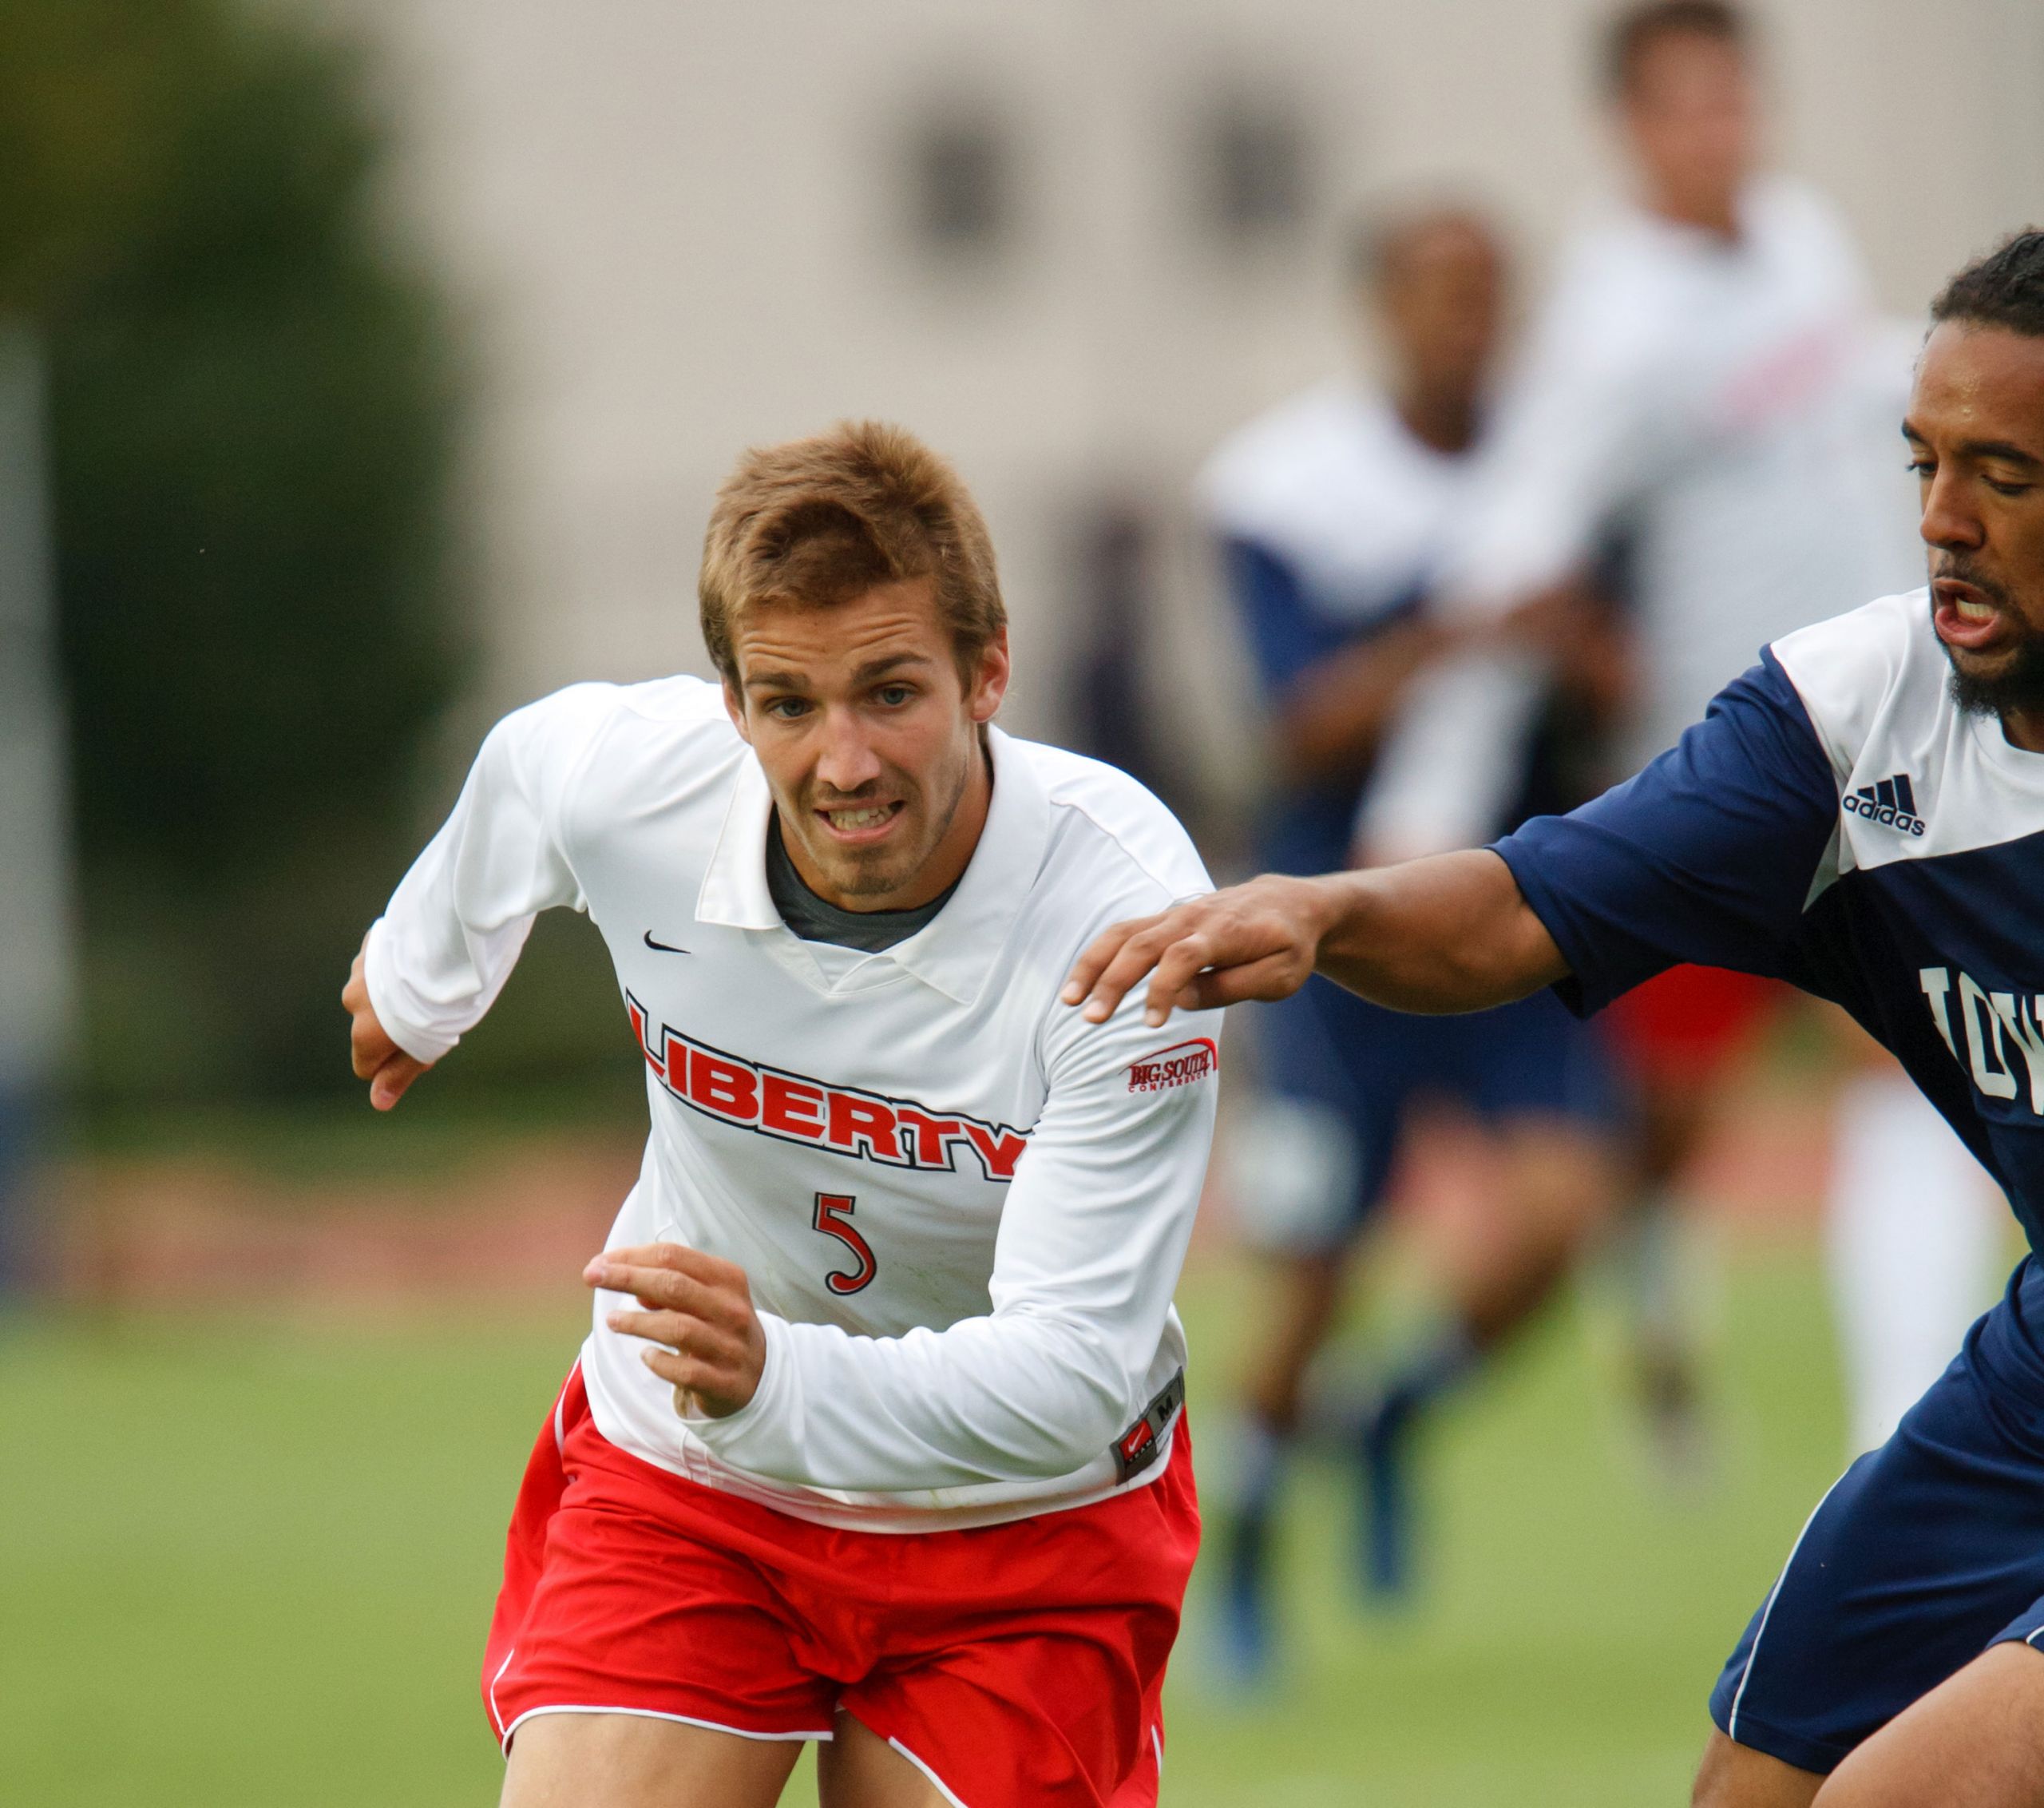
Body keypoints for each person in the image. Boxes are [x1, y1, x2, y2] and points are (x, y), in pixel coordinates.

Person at [1063, 230, 2044, 1806]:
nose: (1936, 522)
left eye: (2000, 474)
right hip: (2029, 1385)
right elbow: (1524, 904)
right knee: (1751, 1787)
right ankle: (1293, 1494)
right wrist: (1322, 910)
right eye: (1920, 461)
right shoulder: (1855, 716)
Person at [341, 422, 1222, 1808]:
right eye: (789, 704)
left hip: (1027, 1529)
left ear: (990, 671)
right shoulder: (637, 782)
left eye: (890, 692)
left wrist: (775, 1381)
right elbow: (522, 773)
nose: (844, 763)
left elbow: (1071, 1374)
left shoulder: (1126, 921)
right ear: (733, 706)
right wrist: (416, 976)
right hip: (694, 1486)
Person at [1357, 0, 1996, 1465]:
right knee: (1650, 1141)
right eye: (1689, 108)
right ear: (1633, 129)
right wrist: (1428, 798)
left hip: (1887, 743)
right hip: (1731, 769)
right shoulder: (1612, 325)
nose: (1722, 134)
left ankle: (1894, 1427)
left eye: (1737, 102)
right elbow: (1517, 558)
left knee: (1905, 1058)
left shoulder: (1801, 244)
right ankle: (1559, 1357)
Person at [1195, 206, 1626, 1657]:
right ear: (1380, 308)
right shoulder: (1288, 487)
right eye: (1440, 298)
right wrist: (1456, 629)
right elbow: (1295, 726)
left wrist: (1572, 649)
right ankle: (1249, 1541)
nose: (1469, 326)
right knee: (1313, 1277)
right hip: (1332, 937)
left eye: (1490, 297)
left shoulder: (1560, 471)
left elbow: (1619, 691)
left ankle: (1391, 1415)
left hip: (1507, 914)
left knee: (1567, 1209)